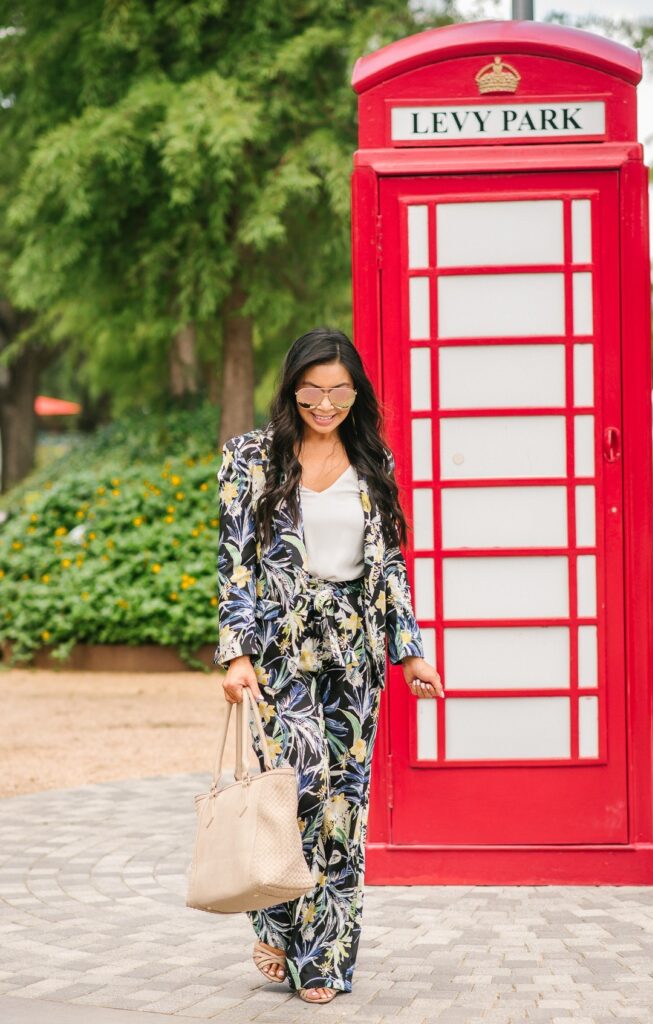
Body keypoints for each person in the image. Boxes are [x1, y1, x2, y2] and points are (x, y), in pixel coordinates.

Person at [214, 326, 442, 1004]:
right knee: (295, 790)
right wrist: (236, 653)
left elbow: (392, 567)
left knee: (344, 806)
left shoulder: (374, 462)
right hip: (281, 654)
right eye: (312, 390)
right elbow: (235, 564)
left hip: (355, 655)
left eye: (339, 391)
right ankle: (276, 921)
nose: (325, 404)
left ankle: (326, 962)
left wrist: (411, 652)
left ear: (356, 392)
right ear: (291, 388)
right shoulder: (251, 458)